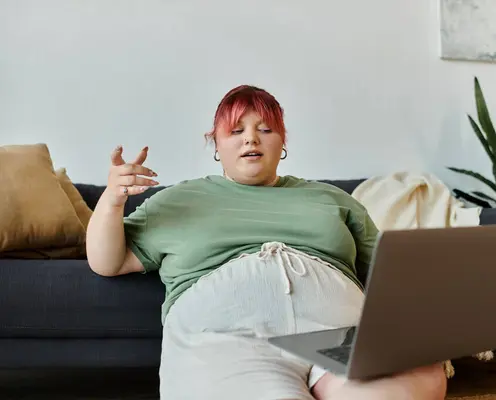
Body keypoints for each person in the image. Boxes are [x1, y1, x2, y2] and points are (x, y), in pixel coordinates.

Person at [86, 85, 447, 400]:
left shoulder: (331, 199)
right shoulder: (177, 201)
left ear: (283, 141)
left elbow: (388, 271)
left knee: (417, 377)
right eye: (236, 130)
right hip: (231, 340)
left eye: (266, 128)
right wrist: (113, 200)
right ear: (215, 144)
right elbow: (108, 261)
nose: (251, 138)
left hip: (340, 334)